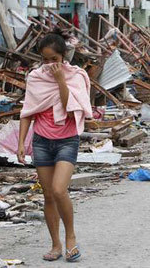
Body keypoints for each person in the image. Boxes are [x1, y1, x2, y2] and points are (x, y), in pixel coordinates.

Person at [17, 30, 92, 262]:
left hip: (67, 140)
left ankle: (71, 238)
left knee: (60, 190)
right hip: (41, 141)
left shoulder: (75, 76)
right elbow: (28, 111)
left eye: (54, 60)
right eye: (46, 60)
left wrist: (60, 80)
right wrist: (21, 143)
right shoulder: (35, 77)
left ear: (63, 57)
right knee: (48, 195)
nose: (50, 65)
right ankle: (55, 244)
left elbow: (70, 106)